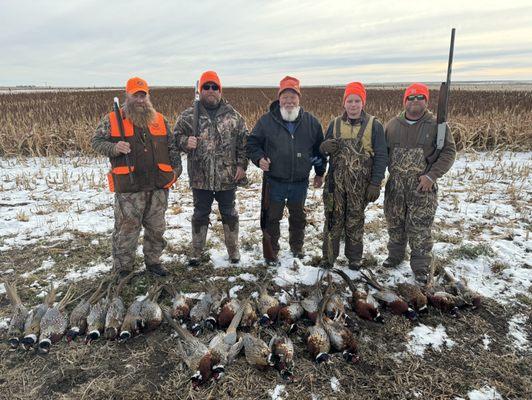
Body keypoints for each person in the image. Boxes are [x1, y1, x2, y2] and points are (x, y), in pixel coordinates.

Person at [92, 77, 182, 277]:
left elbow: (172, 147)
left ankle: (154, 263)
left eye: (143, 95)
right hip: (130, 188)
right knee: (126, 230)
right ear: (128, 96)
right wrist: (114, 148)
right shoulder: (113, 119)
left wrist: (176, 172)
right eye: (136, 95)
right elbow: (96, 141)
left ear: (148, 96)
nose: (140, 100)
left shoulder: (159, 119)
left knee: (156, 229)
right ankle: (123, 268)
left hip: (158, 186)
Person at [247, 76, 326, 265]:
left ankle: (297, 248)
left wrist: (320, 172)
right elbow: (252, 143)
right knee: (272, 218)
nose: (289, 101)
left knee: (298, 217)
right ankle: (272, 251)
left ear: (299, 99)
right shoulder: (266, 121)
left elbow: (319, 150)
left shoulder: (311, 122)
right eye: (285, 97)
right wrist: (259, 159)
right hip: (274, 181)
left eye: (293, 97)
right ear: (279, 98)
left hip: (299, 182)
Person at [173, 71, 249, 265]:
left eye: (215, 87)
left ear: (220, 91)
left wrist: (241, 165)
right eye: (206, 87)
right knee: (200, 214)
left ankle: (233, 251)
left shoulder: (233, 116)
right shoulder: (189, 116)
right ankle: (196, 252)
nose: (210, 90)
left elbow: (244, 142)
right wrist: (185, 142)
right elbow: (174, 138)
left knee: (229, 213)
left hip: (227, 176)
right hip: (201, 176)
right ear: (201, 90)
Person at [383, 83, 456, 284]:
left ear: (426, 101)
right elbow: (382, 154)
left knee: (420, 229)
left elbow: (449, 152)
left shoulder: (437, 125)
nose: (415, 101)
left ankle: (421, 268)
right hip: (395, 186)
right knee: (395, 224)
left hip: (422, 187)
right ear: (405, 101)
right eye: (411, 97)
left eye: (420, 97)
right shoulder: (392, 125)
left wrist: (431, 176)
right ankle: (395, 257)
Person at [320, 82, 387, 270]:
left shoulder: (375, 125)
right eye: (350, 100)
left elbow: (381, 156)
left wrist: (375, 183)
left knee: (355, 221)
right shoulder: (334, 124)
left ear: (363, 103)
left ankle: (354, 258)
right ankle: (328, 257)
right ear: (344, 103)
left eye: (357, 100)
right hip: (335, 185)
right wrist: (323, 147)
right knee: (332, 219)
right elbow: (323, 150)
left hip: (360, 187)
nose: (353, 105)